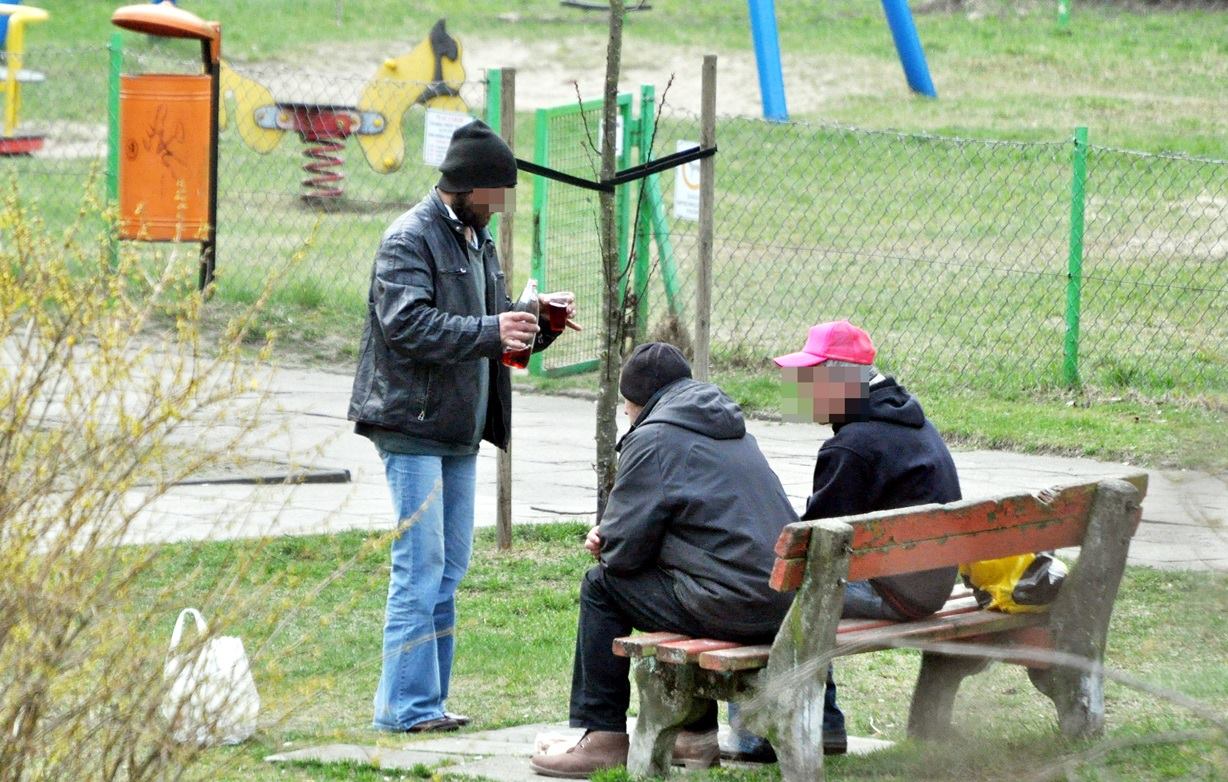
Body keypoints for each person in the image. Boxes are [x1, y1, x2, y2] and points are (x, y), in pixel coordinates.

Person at [348, 119, 576, 734]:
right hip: (411, 423)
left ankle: (429, 703)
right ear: (468, 186)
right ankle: (404, 709)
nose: (501, 207)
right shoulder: (408, 239)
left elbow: (492, 329)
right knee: (419, 568)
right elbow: (407, 325)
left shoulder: (478, 239)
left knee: (449, 571)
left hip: (459, 427)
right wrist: (491, 329)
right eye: (496, 194)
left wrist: (536, 321)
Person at [529, 343, 798, 778]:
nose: (625, 413)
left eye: (626, 405)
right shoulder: (732, 429)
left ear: (636, 402)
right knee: (680, 581)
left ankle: (603, 736)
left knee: (600, 586)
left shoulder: (653, 438)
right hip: (784, 603)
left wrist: (607, 541)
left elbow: (622, 558)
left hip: (735, 607)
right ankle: (694, 736)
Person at [725, 319, 961, 761]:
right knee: (806, 585)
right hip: (933, 583)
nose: (802, 390)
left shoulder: (852, 447)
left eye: (809, 379)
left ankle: (758, 732)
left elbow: (814, 549)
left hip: (898, 592)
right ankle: (825, 722)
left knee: (759, 590)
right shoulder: (910, 421)